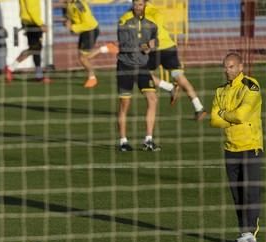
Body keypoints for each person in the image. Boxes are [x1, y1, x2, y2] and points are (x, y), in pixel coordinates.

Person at [210, 53, 263, 242]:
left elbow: (241, 115)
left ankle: (250, 234)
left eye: (231, 66)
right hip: (230, 148)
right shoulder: (220, 90)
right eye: (225, 67)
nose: (227, 70)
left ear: (241, 67)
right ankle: (245, 234)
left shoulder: (251, 86)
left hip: (250, 147)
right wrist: (225, 116)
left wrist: (224, 114)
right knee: (237, 194)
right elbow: (214, 120)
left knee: (251, 192)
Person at [144, 0, 207, 121]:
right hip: (169, 47)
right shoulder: (156, 11)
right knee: (180, 78)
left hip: (155, 50)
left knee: (141, 73)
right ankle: (199, 108)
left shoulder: (143, 13)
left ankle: (169, 87)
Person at [116, 0, 159, 152]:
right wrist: (142, 46)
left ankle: (148, 140)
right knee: (124, 105)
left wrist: (151, 47)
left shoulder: (152, 24)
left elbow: (155, 41)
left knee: (153, 99)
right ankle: (123, 141)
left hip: (142, 67)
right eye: (135, 4)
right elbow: (123, 44)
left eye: (140, 4)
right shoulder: (124, 20)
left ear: (145, 5)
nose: (137, 7)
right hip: (125, 66)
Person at [63, 0, 118, 88]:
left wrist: (72, 27)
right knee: (83, 57)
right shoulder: (68, 4)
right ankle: (106, 48)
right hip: (84, 31)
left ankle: (92, 78)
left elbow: (87, 23)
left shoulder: (79, 4)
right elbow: (70, 16)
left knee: (83, 58)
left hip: (90, 30)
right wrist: (68, 20)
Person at [4, 0, 50, 84]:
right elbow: (31, 9)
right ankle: (10, 68)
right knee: (34, 48)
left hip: (28, 20)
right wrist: (40, 24)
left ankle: (39, 75)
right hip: (32, 21)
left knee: (36, 49)